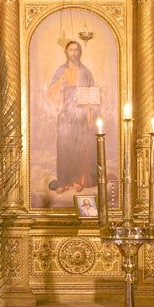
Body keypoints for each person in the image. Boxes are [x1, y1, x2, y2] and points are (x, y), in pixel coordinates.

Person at [46, 40, 97, 194]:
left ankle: (76, 179)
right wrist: (60, 84)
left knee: (78, 146)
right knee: (63, 145)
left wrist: (89, 111)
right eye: (71, 50)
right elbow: (51, 92)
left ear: (80, 53)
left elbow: (92, 93)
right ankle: (63, 180)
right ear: (66, 52)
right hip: (64, 112)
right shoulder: (60, 71)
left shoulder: (86, 72)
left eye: (76, 50)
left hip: (81, 112)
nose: (73, 53)